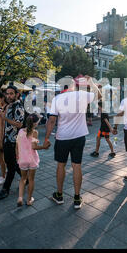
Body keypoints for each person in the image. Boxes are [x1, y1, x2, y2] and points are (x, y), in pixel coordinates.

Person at [44, 76, 101, 209]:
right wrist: (91, 81)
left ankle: (59, 195)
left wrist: (46, 138)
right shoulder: (81, 95)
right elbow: (98, 95)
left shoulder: (57, 99)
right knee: (77, 165)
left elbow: (52, 121)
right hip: (79, 136)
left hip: (63, 137)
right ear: (73, 86)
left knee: (61, 165)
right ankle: (76, 198)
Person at [0, 86, 26, 201]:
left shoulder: (18, 106)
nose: (9, 96)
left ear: (17, 94)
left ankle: (5, 189)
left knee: (11, 166)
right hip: (8, 140)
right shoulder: (8, 106)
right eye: (7, 94)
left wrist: (5, 119)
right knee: (13, 164)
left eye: (11, 94)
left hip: (15, 141)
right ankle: (26, 179)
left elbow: (19, 124)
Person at [16, 114, 50, 207]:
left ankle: (20, 197)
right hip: (32, 160)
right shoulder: (34, 132)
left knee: (23, 179)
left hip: (22, 159)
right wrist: (44, 147)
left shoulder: (20, 131)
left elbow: (17, 145)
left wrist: (17, 156)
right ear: (35, 124)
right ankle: (29, 199)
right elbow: (34, 147)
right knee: (31, 179)